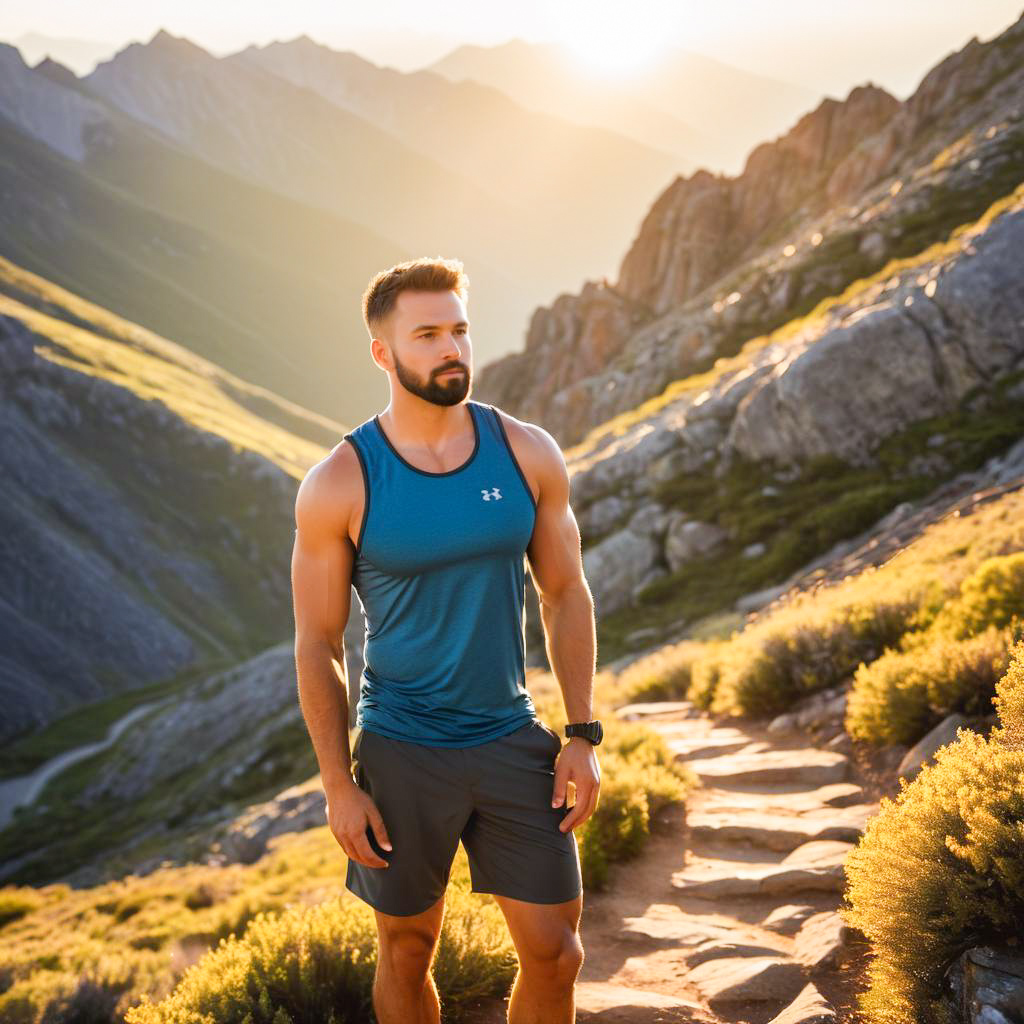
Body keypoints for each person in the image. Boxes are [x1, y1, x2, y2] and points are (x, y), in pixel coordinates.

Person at [291, 256, 602, 1024]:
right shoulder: (341, 481)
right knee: (405, 951)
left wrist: (583, 734)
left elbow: (565, 592)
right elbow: (318, 642)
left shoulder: (526, 451)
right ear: (382, 352)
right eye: (426, 334)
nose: (450, 348)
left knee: (557, 954)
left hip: (510, 737)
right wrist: (338, 783)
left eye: (458, 329)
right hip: (401, 750)